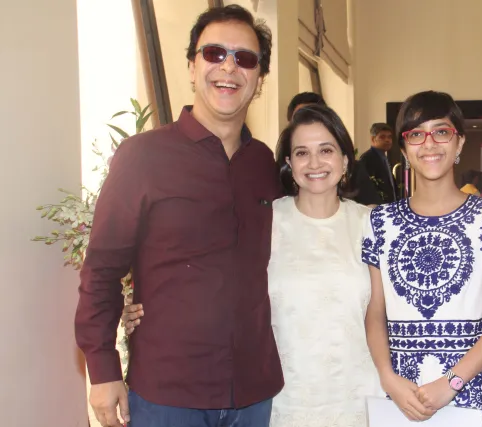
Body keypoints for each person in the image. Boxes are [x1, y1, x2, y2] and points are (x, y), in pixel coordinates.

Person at [74, 5, 282, 427]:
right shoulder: (142, 157)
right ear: (191, 66)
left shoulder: (263, 164)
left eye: (245, 58)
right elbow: (102, 270)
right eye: (214, 53)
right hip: (167, 395)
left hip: (254, 393)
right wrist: (103, 369)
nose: (229, 67)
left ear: (259, 78)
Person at [123, 104, 385, 427]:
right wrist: (143, 306)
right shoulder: (265, 217)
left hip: (356, 394)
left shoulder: (372, 224)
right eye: (302, 153)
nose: (314, 163)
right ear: (289, 163)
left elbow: (391, 311)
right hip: (282, 398)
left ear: (345, 160)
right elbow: (206, 269)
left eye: (326, 150)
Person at [361, 91, 482, 426]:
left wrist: (452, 383)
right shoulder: (378, 221)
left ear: (459, 143)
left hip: (473, 390)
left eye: (441, 131)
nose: (429, 144)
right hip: (400, 396)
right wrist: (387, 376)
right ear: (404, 148)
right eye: (416, 134)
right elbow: (375, 311)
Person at [356, 123, 397, 204]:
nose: (387, 140)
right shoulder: (367, 158)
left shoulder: (384, 158)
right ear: (373, 139)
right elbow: (366, 188)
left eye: (389, 137)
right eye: (382, 137)